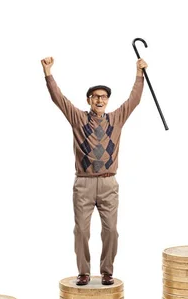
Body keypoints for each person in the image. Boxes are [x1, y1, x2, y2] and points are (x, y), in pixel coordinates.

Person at [42, 56, 146, 285]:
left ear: (108, 100)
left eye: (104, 96)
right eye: (96, 96)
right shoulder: (78, 118)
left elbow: (134, 99)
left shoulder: (116, 119)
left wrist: (139, 73)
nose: (100, 100)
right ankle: (84, 272)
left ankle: (107, 271)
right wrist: (48, 73)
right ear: (89, 99)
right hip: (84, 184)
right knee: (81, 230)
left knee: (111, 231)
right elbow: (59, 99)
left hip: (109, 184)